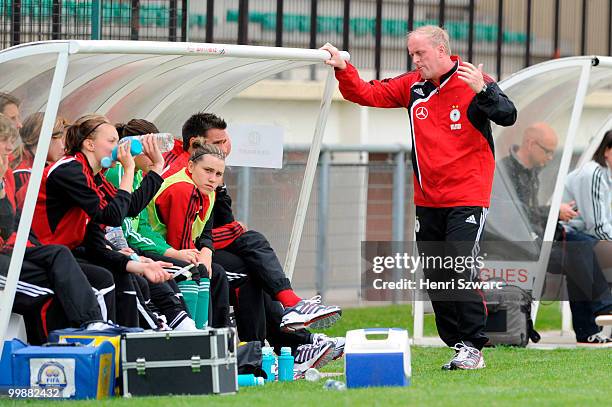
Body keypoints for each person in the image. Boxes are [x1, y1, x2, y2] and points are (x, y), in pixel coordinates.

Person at [322, 25, 517, 370]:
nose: (415, 60)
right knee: (436, 275)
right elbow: (368, 94)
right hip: (428, 199)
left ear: (441, 50)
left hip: (468, 196)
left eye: (420, 53)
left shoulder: (474, 79)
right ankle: (457, 344)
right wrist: (343, 68)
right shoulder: (413, 86)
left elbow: (507, 114)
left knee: (458, 267)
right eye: (411, 53)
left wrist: (484, 91)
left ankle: (474, 345)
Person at [162, 113, 343, 333]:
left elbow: (211, 225)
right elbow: (183, 240)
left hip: (197, 249)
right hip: (176, 254)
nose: (226, 148)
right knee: (249, 269)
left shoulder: (204, 175)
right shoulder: (184, 181)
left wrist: (213, 244)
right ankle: (267, 348)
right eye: (217, 143)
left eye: (225, 141)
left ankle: (290, 325)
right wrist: (225, 235)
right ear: (195, 148)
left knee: (252, 244)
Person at [31, 114, 173, 327]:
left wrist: (157, 167)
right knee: (103, 278)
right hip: (44, 252)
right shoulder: (69, 170)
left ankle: (131, 339)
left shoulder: (94, 176)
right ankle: (102, 335)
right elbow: (111, 216)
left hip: (68, 253)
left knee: (124, 273)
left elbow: (129, 208)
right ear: (89, 144)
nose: (119, 147)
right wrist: (128, 169)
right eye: (112, 141)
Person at [0, 113, 112, 343]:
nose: (8, 151)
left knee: (95, 274)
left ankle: (97, 329)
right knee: (52, 290)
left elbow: (9, 223)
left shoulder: (8, 174)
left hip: (17, 245)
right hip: (11, 250)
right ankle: (52, 353)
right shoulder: (29, 173)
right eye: (4, 144)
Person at [500, 123, 612, 345]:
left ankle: (588, 329)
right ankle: (604, 308)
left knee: (582, 248)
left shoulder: (532, 173)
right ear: (531, 144)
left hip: (545, 237)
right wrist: (553, 211)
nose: (551, 157)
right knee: (581, 250)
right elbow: (514, 213)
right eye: (548, 151)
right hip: (521, 244)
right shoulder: (504, 171)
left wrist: (553, 214)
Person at [11, 112, 69, 208]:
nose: (63, 146)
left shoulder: (37, 168)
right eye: (59, 137)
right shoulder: (23, 175)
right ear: (46, 138)